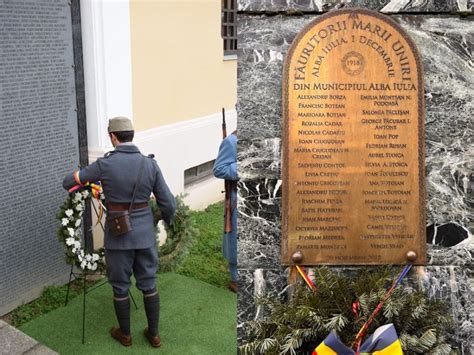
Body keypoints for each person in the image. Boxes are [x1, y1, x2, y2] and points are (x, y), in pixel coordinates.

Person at [63, 117, 176, 348]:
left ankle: (125, 335)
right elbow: (169, 204)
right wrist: (161, 219)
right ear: (131, 135)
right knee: (149, 284)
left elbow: (69, 182)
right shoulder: (150, 164)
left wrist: (89, 186)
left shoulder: (104, 165)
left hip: (117, 238)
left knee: (120, 286)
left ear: (113, 137)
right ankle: (154, 335)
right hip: (144, 236)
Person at [213, 131, 238, 292]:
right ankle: (236, 279)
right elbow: (219, 169)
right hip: (239, 199)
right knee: (236, 238)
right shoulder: (231, 141)